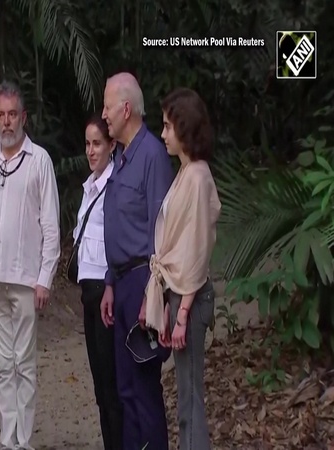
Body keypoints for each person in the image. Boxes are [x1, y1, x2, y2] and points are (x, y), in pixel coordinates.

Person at [0, 80, 61, 450]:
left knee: (24, 363)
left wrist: (45, 279)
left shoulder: (39, 161)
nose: (6, 122)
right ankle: (8, 441)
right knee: (4, 365)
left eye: (12, 115)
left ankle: (24, 440)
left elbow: (51, 226)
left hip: (25, 281)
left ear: (23, 117)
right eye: (0, 115)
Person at [99, 72, 173, 450]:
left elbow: (161, 232)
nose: (104, 114)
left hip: (144, 282)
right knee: (124, 388)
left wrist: (152, 294)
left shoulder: (152, 156)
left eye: (108, 106)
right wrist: (111, 283)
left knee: (144, 387)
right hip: (122, 284)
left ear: (126, 109)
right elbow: (118, 223)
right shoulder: (121, 157)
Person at [144, 87, 221, 450]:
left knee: (190, 397)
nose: (163, 135)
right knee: (185, 398)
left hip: (190, 295)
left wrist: (182, 312)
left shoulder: (198, 177)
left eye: (167, 126)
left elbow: (197, 250)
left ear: (184, 127)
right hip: (178, 294)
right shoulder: (187, 172)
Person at [72, 113, 122, 450]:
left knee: (111, 381)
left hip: (105, 288)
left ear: (111, 146)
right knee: (99, 384)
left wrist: (110, 284)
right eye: (88, 144)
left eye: (97, 144)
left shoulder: (114, 186)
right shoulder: (90, 187)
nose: (91, 151)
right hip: (87, 289)